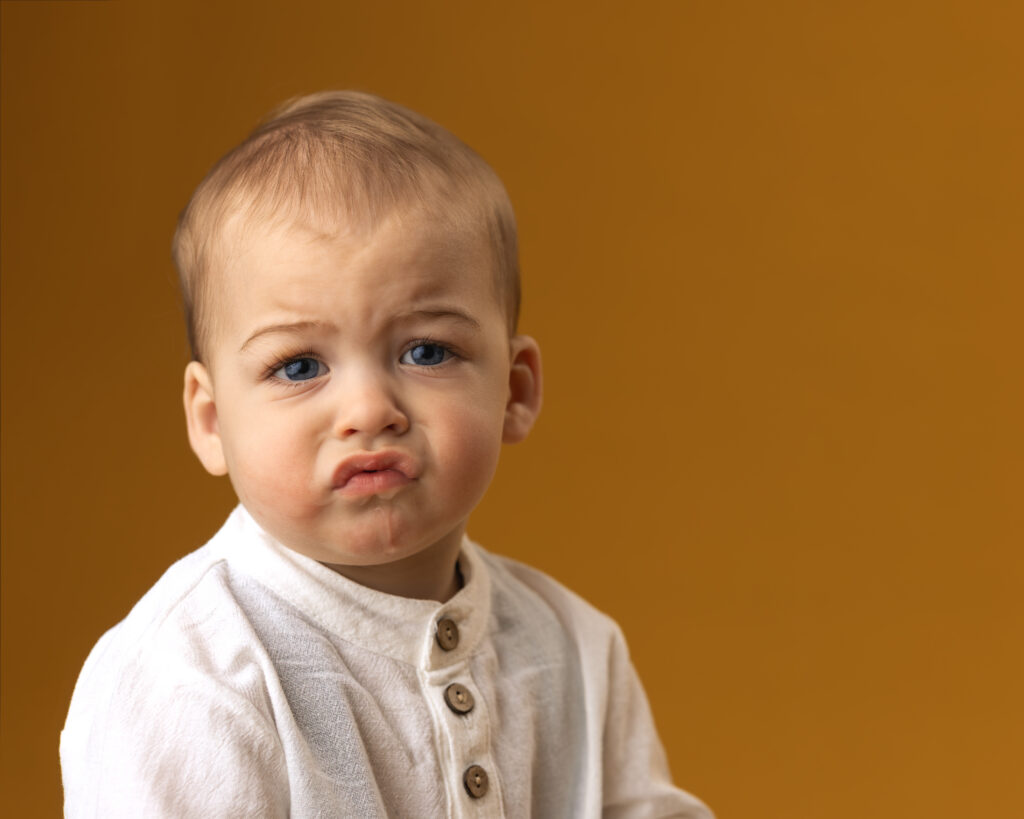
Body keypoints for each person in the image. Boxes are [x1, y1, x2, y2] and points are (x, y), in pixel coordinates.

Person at [60, 90, 713, 818]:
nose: (370, 409)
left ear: (515, 390)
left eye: (426, 351)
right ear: (212, 421)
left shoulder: (575, 650)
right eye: (300, 366)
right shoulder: (191, 677)